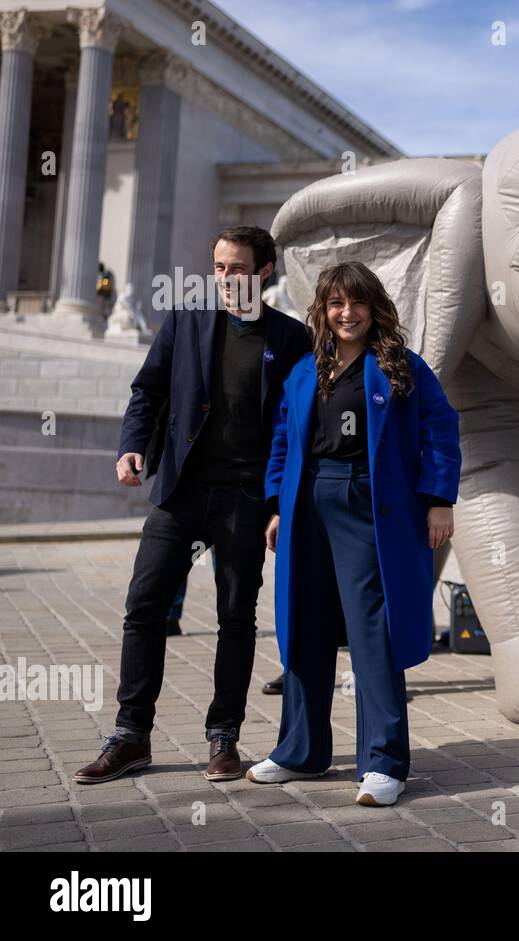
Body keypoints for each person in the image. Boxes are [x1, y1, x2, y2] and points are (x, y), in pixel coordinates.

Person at [75, 226, 311, 784]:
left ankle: (223, 736)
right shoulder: (185, 322)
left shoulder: (292, 339)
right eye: (219, 269)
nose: (226, 280)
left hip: (247, 499)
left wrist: (280, 504)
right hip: (180, 493)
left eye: (237, 269)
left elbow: (297, 427)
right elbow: (148, 391)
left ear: (264, 271)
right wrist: (132, 446)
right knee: (145, 605)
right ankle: (131, 736)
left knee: (236, 617)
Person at [247, 261, 460, 807]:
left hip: (370, 503)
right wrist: (275, 506)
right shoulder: (303, 372)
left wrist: (439, 501)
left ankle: (384, 762)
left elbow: (440, 430)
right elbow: (281, 443)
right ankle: (301, 751)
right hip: (305, 503)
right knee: (304, 623)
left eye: (357, 303)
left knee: (373, 629)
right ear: (323, 309)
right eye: (337, 304)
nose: (348, 314)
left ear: (374, 307)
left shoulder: (400, 368)